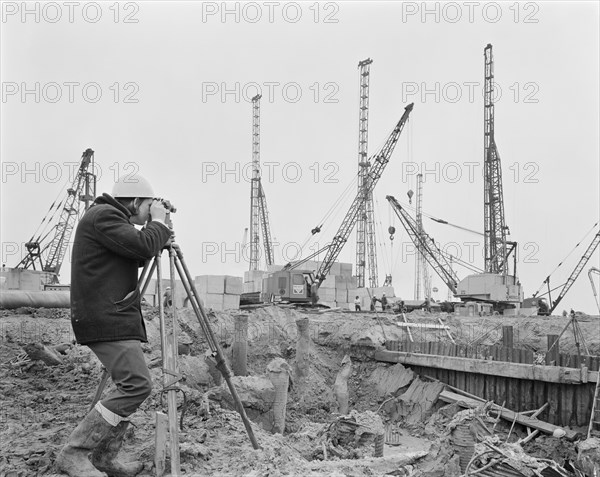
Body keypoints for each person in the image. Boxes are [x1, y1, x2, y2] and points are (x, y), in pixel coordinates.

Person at [56, 175, 172, 477]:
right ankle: (75, 453)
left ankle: (104, 458)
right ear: (134, 202)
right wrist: (158, 225)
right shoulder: (104, 216)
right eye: (149, 205)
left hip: (112, 316)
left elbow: (137, 250)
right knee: (137, 386)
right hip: (104, 318)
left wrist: (158, 228)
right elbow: (143, 248)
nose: (150, 211)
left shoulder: (107, 220)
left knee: (131, 386)